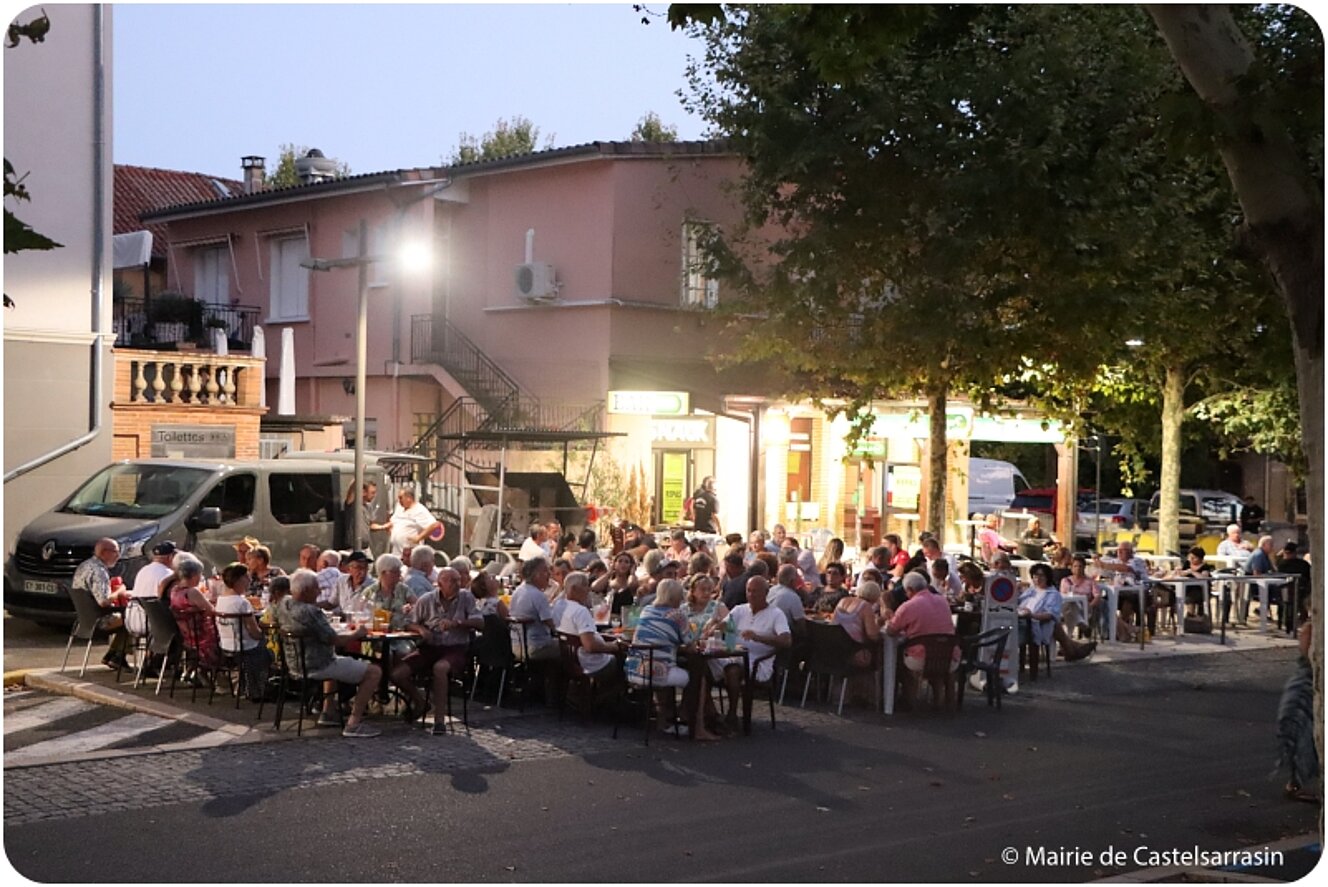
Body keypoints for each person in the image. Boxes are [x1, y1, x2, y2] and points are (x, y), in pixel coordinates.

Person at [274, 569, 382, 737]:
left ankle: (328, 710)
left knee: (336, 659)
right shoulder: (311, 612)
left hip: (294, 663)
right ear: (306, 591)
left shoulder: (283, 604)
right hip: (318, 664)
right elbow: (335, 640)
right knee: (374, 672)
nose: (319, 592)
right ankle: (354, 723)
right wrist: (357, 634)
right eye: (317, 588)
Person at [626, 578, 717, 740]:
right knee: (698, 678)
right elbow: (690, 645)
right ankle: (697, 727)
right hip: (658, 672)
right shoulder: (677, 616)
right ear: (675, 597)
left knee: (667, 667)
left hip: (636, 669)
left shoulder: (647, 610)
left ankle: (664, 721)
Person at [395, 566, 482, 734]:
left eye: (458, 580)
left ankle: (439, 720)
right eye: (451, 581)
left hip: (455, 648)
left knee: (440, 668)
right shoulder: (426, 600)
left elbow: (480, 622)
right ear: (439, 584)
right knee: (397, 673)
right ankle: (420, 702)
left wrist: (458, 623)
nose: (456, 584)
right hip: (430, 648)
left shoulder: (466, 597)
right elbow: (408, 622)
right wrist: (421, 630)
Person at [886, 573, 959, 705]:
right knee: (932, 655)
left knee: (898, 661)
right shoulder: (943, 601)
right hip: (949, 657)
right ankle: (942, 700)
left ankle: (906, 698)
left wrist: (889, 618)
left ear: (909, 590)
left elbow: (891, 631)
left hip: (921, 659)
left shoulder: (908, 606)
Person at [72, 537, 134, 670]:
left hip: (84, 619)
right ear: (104, 552)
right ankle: (118, 656)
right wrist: (120, 591)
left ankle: (112, 655)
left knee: (126, 616)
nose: (118, 556)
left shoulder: (84, 566)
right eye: (116, 552)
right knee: (132, 618)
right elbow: (104, 602)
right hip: (98, 620)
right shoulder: (99, 571)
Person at [213, 562, 271, 702]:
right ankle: (257, 689)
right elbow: (254, 632)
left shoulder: (220, 600)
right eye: (246, 577)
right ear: (238, 580)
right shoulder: (242, 603)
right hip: (244, 647)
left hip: (226, 644)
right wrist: (266, 633)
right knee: (268, 649)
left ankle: (245, 684)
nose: (249, 580)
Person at [1276, 614, 1318, 803]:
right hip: (1308, 684)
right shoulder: (1311, 629)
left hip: (1309, 682)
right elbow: (1307, 654)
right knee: (1302, 735)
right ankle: (1295, 784)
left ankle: (1296, 782)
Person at [166, 557, 220, 673]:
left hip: (187, 636)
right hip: (203, 636)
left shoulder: (174, 590)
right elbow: (211, 610)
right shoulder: (192, 592)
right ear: (195, 575)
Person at [509, 557, 559, 661]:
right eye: (545, 571)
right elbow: (551, 623)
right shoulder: (538, 595)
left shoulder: (517, 591)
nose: (549, 574)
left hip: (516, 645)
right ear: (536, 575)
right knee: (569, 648)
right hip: (536, 647)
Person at [126, 541, 177, 640]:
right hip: (156, 626)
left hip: (134, 620)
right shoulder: (168, 574)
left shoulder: (142, 570)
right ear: (170, 557)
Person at [381, 487, 443, 556]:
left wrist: (419, 537)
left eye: (401, 498)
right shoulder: (399, 507)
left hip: (410, 554)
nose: (399, 500)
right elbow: (392, 521)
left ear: (409, 498)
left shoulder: (419, 510)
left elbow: (435, 525)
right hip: (396, 552)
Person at [1276, 542, 1312, 630]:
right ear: (1295, 552)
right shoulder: (1303, 564)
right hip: (1302, 591)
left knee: (1284, 601)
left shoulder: (1281, 564)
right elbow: (1309, 578)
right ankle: (1303, 622)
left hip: (1286, 592)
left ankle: (1283, 622)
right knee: (1301, 604)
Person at [593, 551, 640, 617]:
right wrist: (609, 573)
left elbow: (632, 584)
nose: (623, 564)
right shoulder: (608, 583)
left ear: (631, 566)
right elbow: (595, 587)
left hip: (626, 619)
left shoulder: (632, 581)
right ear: (614, 564)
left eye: (626, 562)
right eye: (620, 561)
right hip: (609, 618)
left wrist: (632, 573)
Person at [329, 550, 373, 614]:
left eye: (365, 568)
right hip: (343, 619)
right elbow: (332, 603)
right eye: (358, 568)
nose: (363, 572)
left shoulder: (372, 586)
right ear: (349, 569)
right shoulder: (341, 581)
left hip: (361, 619)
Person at [767, 564, 808, 629]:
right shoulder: (793, 596)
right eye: (797, 577)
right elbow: (801, 624)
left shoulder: (771, 590)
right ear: (792, 580)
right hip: (782, 631)